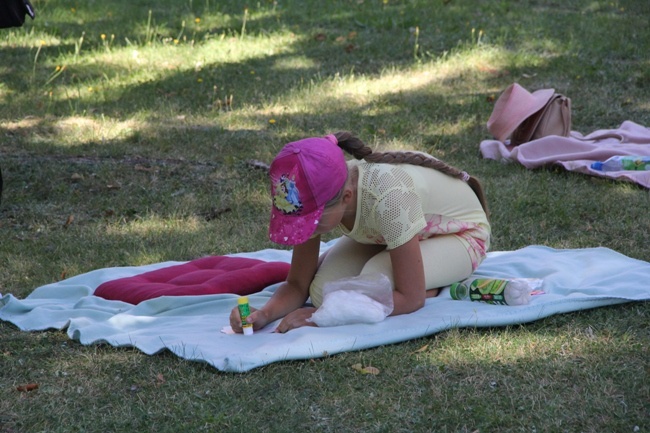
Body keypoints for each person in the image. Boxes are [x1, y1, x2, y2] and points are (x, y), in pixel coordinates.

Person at [230, 132, 490, 333]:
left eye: (313, 222)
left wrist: (323, 317)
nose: (306, 230)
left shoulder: (389, 197)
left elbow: (410, 300)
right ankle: (414, 270)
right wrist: (263, 314)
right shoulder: (313, 201)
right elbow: (298, 284)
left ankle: (432, 286)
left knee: (371, 284)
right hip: (387, 234)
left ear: (347, 196)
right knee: (322, 293)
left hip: (461, 236)